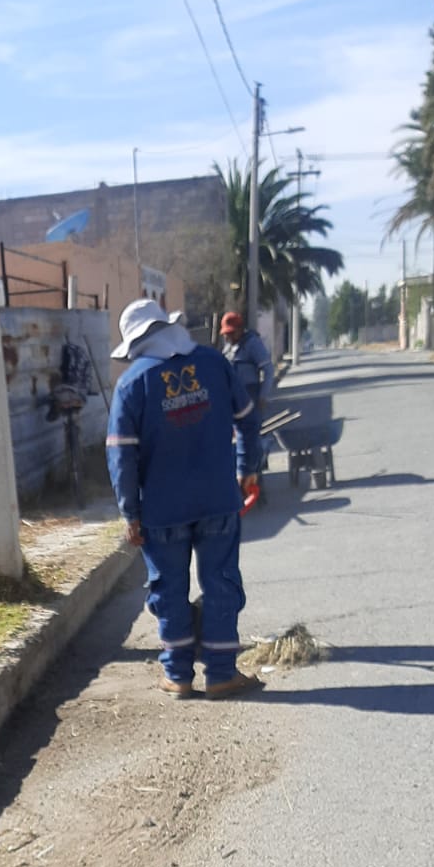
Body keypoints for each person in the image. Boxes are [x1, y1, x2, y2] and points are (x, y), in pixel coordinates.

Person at [105, 299, 264, 701]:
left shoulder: (131, 384)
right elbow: (247, 416)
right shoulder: (214, 363)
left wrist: (130, 511)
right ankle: (222, 674)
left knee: (168, 590)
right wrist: (248, 466)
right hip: (218, 501)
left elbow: (121, 455)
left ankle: (177, 675)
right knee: (221, 582)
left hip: (162, 510)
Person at [219, 310, 275, 489]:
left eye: (231, 332)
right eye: (226, 334)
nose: (228, 337)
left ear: (240, 329)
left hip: (251, 399)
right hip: (232, 402)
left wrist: (263, 397)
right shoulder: (227, 349)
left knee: (252, 442)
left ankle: (255, 482)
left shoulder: (252, 344)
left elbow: (268, 370)